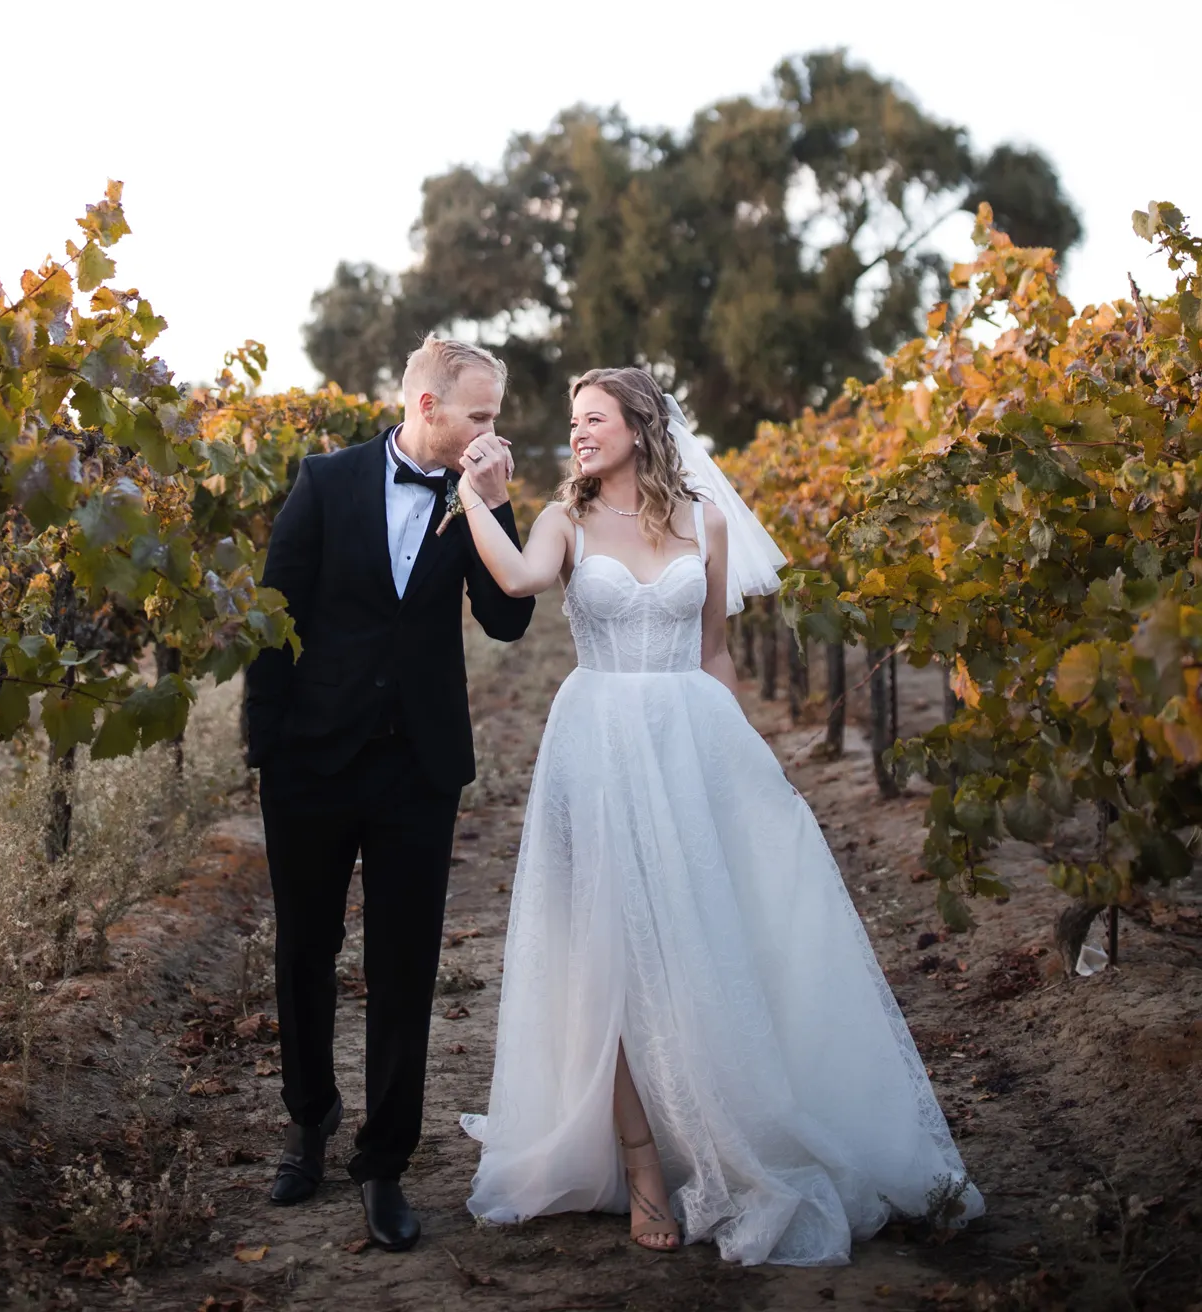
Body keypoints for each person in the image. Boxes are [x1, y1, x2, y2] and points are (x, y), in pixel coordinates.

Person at [454, 367, 982, 1266]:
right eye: (572, 421)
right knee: (611, 952)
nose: (576, 434)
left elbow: (716, 651)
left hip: (691, 737)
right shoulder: (564, 519)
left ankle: (726, 1128)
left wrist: (745, 763)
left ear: (640, 426)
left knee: (708, 937)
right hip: (599, 739)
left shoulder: (706, 521)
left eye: (592, 420)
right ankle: (642, 1163)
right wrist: (477, 495)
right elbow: (516, 582)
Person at [244, 336, 533, 1253]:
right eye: (480, 415)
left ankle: (384, 1164)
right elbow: (274, 615)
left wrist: (494, 502)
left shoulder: (476, 496)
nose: (493, 431)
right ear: (427, 406)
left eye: (496, 416)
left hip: (420, 766)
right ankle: (308, 1119)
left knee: (403, 965)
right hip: (313, 762)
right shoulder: (323, 483)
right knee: (306, 949)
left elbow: (510, 620)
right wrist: (269, 752)